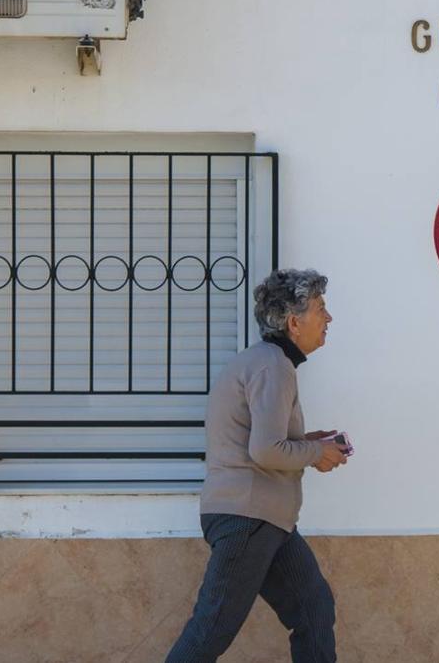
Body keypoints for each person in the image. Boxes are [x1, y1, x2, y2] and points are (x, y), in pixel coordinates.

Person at [167, 268, 345, 662]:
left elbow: (266, 440)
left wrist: (311, 443)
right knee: (211, 630)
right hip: (248, 517)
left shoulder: (265, 363)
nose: (328, 318)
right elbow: (265, 450)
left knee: (314, 609)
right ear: (294, 322)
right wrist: (315, 454)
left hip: (266, 518)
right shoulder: (273, 366)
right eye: (321, 308)